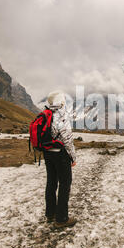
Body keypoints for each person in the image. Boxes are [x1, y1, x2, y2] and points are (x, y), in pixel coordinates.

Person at [43, 91, 77, 228]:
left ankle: (50, 214)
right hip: (60, 154)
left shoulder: (46, 114)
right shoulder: (61, 115)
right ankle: (62, 218)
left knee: (51, 182)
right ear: (61, 102)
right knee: (65, 183)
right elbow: (67, 139)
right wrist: (73, 157)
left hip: (47, 153)